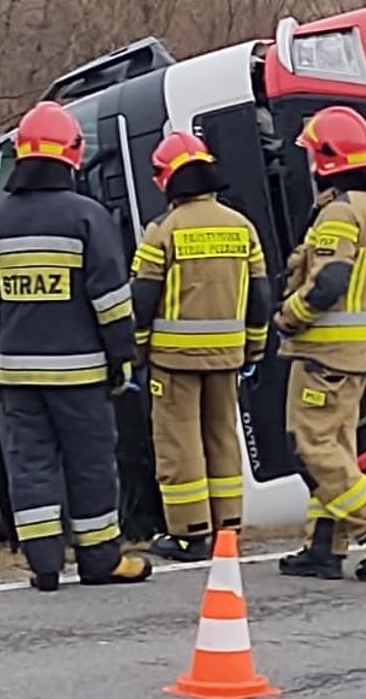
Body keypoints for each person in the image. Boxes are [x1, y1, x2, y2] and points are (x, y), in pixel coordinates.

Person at [0, 101, 151, 591]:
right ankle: (100, 559)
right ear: (73, 153)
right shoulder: (88, 218)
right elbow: (111, 301)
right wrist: (122, 359)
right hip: (81, 373)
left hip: (18, 374)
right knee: (89, 462)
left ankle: (44, 564)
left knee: (30, 463)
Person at [276, 106, 366, 582]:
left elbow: (330, 279)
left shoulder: (339, 211)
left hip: (324, 351)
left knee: (310, 445)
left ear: (327, 158)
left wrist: (288, 317)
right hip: (356, 352)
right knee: (335, 447)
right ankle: (323, 548)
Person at [131, 130, 272, 562]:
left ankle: (190, 533)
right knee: (222, 437)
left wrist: (136, 352)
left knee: (180, 444)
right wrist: (254, 348)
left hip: (173, 360)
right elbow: (261, 295)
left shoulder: (163, 231)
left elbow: (142, 298)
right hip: (228, 357)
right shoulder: (241, 227)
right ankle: (227, 526)